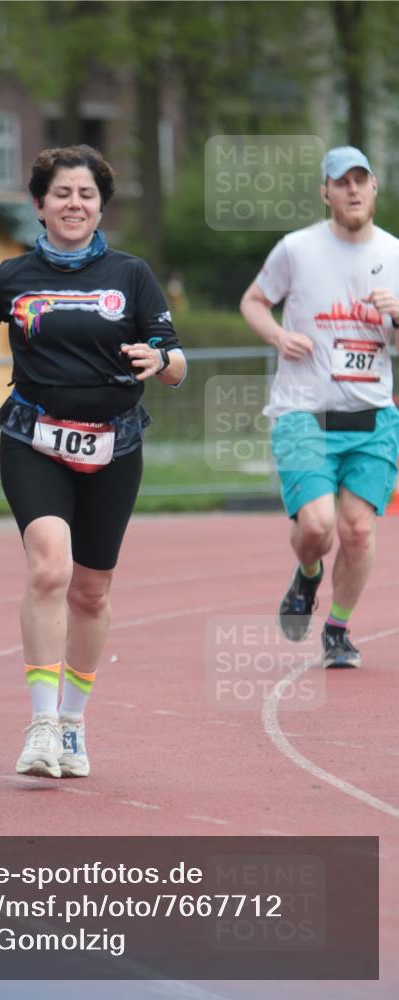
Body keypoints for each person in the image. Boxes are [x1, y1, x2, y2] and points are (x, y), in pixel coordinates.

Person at [0, 145, 186, 777]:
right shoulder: (11, 277)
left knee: (92, 589)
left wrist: (161, 362)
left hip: (115, 443)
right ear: (39, 205)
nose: (74, 204)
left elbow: (176, 358)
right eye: (62, 194)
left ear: (101, 206)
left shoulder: (132, 275)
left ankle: (73, 725)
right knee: (50, 565)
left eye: (86, 195)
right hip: (34, 437)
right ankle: (41, 724)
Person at [240, 146, 399, 668]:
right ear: (325, 192)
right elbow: (253, 301)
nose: (352, 190)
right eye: (341, 181)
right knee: (317, 526)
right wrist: (279, 336)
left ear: (375, 188)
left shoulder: (395, 255)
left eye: (361, 180)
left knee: (357, 529)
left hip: (372, 416)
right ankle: (308, 576)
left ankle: (338, 629)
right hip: (304, 410)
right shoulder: (296, 249)